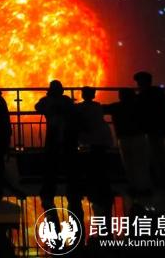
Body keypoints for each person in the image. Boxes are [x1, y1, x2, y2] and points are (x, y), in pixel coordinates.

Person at [35, 80, 81, 212]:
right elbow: (73, 111)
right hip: (67, 136)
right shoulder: (66, 100)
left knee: (51, 165)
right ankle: (73, 189)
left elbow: (37, 107)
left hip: (54, 136)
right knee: (70, 165)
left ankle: (48, 191)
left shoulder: (47, 101)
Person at [103, 88, 152, 196]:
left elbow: (102, 109)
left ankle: (133, 186)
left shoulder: (117, 107)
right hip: (139, 137)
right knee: (141, 163)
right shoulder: (139, 106)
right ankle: (143, 187)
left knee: (128, 164)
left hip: (124, 138)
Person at [75, 86, 113, 216]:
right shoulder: (97, 106)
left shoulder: (80, 108)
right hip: (101, 138)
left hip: (91, 139)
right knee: (101, 160)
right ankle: (102, 186)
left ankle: (95, 185)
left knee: (93, 162)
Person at [133, 71, 165, 188]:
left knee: (156, 153)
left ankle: (160, 179)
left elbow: (141, 108)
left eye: (139, 82)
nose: (137, 84)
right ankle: (163, 179)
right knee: (159, 153)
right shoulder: (158, 94)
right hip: (158, 128)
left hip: (153, 128)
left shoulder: (146, 95)